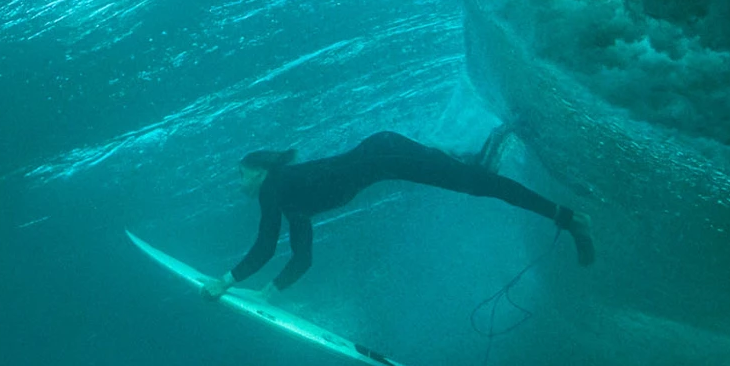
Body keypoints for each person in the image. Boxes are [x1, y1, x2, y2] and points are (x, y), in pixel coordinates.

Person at [206, 130, 594, 297]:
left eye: (242, 175)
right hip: (385, 153)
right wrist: (268, 295)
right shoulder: (292, 200)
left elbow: (263, 244)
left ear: (259, 171)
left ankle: (569, 217)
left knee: (477, 184)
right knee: (472, 180)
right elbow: (302, 257)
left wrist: (224, 281)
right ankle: (484, 145)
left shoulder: (275, 186)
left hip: (385, 155)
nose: (240, 184)